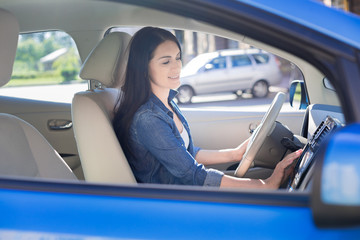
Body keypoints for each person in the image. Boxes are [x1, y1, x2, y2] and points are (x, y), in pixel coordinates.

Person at [113, 26, 302, 189]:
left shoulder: (167, 101)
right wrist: (266, 185)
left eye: (178, 58)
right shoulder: (148, 118)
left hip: (185, 190)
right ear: (143, 67)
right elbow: (193, 175)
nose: (177, 67)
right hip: (173, 201)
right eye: (166, 61)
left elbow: (187, 153)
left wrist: (235, 153)